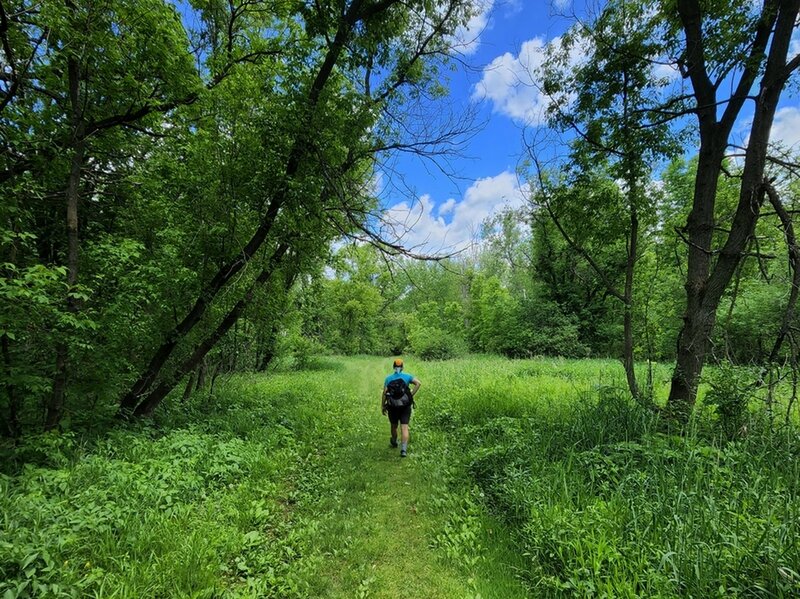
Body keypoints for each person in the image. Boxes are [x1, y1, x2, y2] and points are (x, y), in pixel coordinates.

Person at [381, 358, 421, 458]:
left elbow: (385, 393)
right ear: (402, 367)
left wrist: (383, 405)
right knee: (404, 427)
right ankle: (403, 450)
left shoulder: (388, 378)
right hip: (405, 406)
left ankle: (394, 441)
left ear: (393, 367)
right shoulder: (407, 376)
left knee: (394, 426)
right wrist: (411, 395)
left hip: (392, 406)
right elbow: (418, 383)